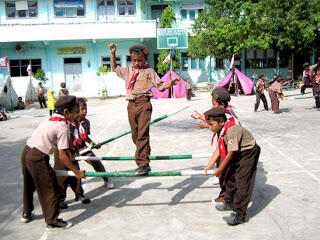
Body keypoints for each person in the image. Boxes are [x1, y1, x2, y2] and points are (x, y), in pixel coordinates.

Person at [109, 43, 180, 175]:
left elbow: (160, 86)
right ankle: (145, 151)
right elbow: (114, 68)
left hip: (144, 104)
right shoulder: (128, 71)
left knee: (142, 134)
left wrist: (170, 83)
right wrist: (113, 53)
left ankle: (143, 164)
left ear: (145, 59)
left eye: (140, 60)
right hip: (131, 104)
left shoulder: (149, 72)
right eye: (134, 60)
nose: (137, 63)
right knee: (135, 135)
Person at [21, 95, 85, 230]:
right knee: (51, 188)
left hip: (26, 152)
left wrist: (71, 155)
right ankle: (52, 220)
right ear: (67, 112)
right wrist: (77, 172)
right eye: (75, 112)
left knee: (29, 184)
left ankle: (27, 213)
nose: (76, 115)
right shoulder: (63, 127)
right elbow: (62, 155)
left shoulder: (50, 119)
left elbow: (63, 149)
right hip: (37, 157)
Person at [203, 107, 260, 225]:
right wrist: (209, 165)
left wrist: (219, 169)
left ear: (221, 122)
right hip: (237, 151)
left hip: (248, 152)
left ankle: (239, 214)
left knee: (242, 182)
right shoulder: (222, 129)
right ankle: (229, 202)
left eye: (211, 124)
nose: (210, 127)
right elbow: (219, 149)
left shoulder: (232, 130)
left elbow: (230, 154)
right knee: (229, 177)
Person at [191, 87, 239, 203]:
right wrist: (201, 117)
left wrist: (206, 125)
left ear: (221, 105)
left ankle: (226, 197)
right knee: (220, 164)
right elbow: (214, 121)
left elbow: (216, 125)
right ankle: (222, 179)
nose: (212, 107)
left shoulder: (228, 117)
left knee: (226, 169)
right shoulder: (224, 111)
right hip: (224, 142)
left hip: (230, 146)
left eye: (214, 104)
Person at [53, 102, 90, 208]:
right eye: (76, 112)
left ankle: (79, 194)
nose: (78, 114)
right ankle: (60, 199)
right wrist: (69, 154)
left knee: (76, 174)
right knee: (62, 176)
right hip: (62, 152)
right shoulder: (64, 124)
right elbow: (64, 143)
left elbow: (76, 138)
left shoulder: (77, 123)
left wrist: (76, 150)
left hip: (72, 152)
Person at [76, 98, 114, 188]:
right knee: (69, 167)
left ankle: (106, 178)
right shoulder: (72, 122)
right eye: (82, 109)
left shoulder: (86, 122)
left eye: (86, 109)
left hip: (82, 147)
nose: (85, 111)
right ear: (76, 110)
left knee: (95, 160)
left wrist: (92, 144)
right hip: (71, 147)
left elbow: (85, 137)